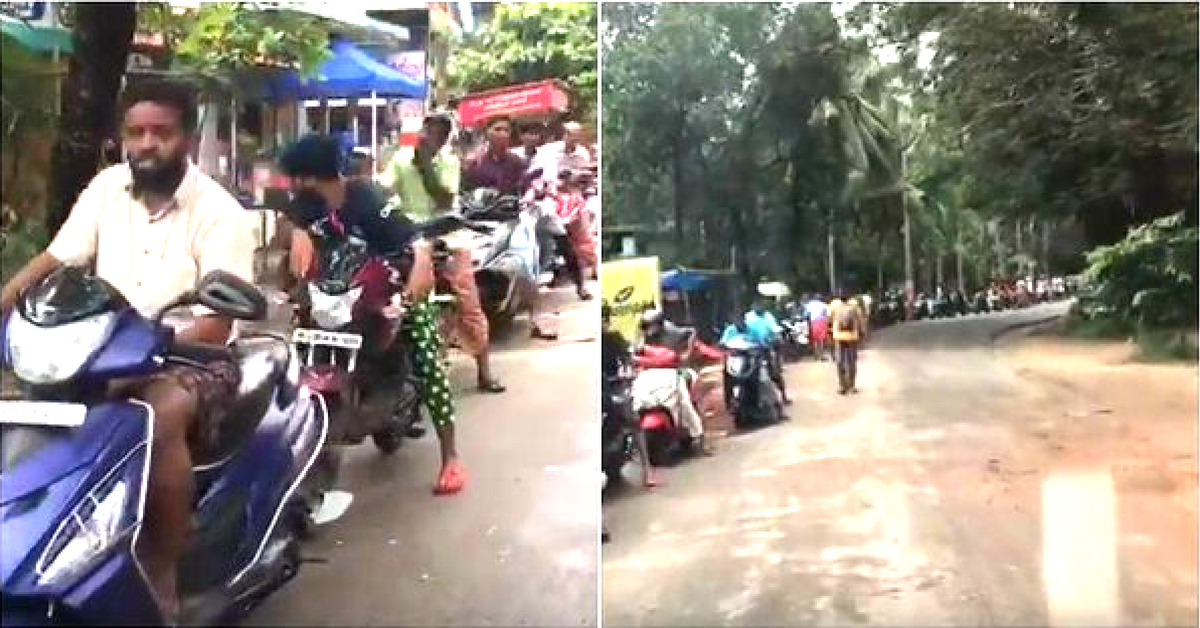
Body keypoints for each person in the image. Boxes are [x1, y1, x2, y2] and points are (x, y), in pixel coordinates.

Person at [0, 79, 255, 620]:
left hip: (191, 360)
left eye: (160, 132)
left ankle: (160, 570)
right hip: (93, 350)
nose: (146, 144)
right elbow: (54, 260)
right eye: (136, 132)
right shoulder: (105, 189)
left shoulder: (220, 212)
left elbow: (214, 326)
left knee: (152, 417)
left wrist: (139, 345)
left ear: (186, 137)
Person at [278, 134, 468, 496]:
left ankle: (451, 458)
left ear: (322, 177)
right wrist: (298, 233)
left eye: (304, 179)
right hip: (336, 294)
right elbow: (292, 231)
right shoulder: (305, 204)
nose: (298, 188)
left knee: (425, 355)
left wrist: (421, 267)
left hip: (390, 285)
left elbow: (414, 241)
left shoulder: (366, 197)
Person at [378, 112, 505, 393]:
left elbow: (445, 198)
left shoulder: (448, 162)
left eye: (442, 131)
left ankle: (484, 372)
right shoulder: (400, 159)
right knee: (392, 294)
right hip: (411, 235)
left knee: (467, 300)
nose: (436, 135)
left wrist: (425, 168)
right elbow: (383, 189)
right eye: (432, 129)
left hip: (446, 234)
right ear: (424, 130)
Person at [635, 309, 714, 456]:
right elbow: (636, 352)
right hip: (650, 374)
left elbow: (692, 332)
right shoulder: (643, 336)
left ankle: (701, 440)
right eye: (645, 326)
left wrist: (687, 355)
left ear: (659, 324)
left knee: (685, 401)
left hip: (675, 370)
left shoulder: (672, 331)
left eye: (650, 326)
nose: (648, 330)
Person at [602, 305, 659, 487]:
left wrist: (626, 373)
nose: (601, 324)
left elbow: (628, 359)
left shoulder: (614, 338)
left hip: (613, 387)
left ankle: (647, 471)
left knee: (633, 421)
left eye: (604, 319)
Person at [462, 115, 528, 196]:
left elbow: (521, 186)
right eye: (498, 129)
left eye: (506, 130)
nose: (502, 133)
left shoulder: (515, 161)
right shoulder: (474, 160)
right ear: (487, 132)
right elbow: (465, 189)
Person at [745, 300, 790, 405]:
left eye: (761, 308)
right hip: (749, 350)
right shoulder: (749, 317)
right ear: (753, 307)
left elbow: (775, 330)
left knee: (774, 373)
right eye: (757, 307)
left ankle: (783, 396)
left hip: (764, 348)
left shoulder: (768, 317)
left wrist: (775, 338)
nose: (759, 309)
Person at [828, 293, 868, 395]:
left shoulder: (834, 307)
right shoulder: (854, 307)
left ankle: (842, 386)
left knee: (840, 361)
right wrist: (862, 333)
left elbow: (829, 320)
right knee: (852, 361)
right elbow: (860, 321)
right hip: (852, 337)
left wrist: (830, 332)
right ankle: (852, 386)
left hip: (838, 337)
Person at [805, 293, 830, 361]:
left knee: (815, 339)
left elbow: (806, 314)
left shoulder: (809, 305)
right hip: (822, 322)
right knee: (821, 340)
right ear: (820, 298)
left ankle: (816, 356)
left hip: (813, 322)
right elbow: (826, 314)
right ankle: (821, 356)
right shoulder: (824, 305)